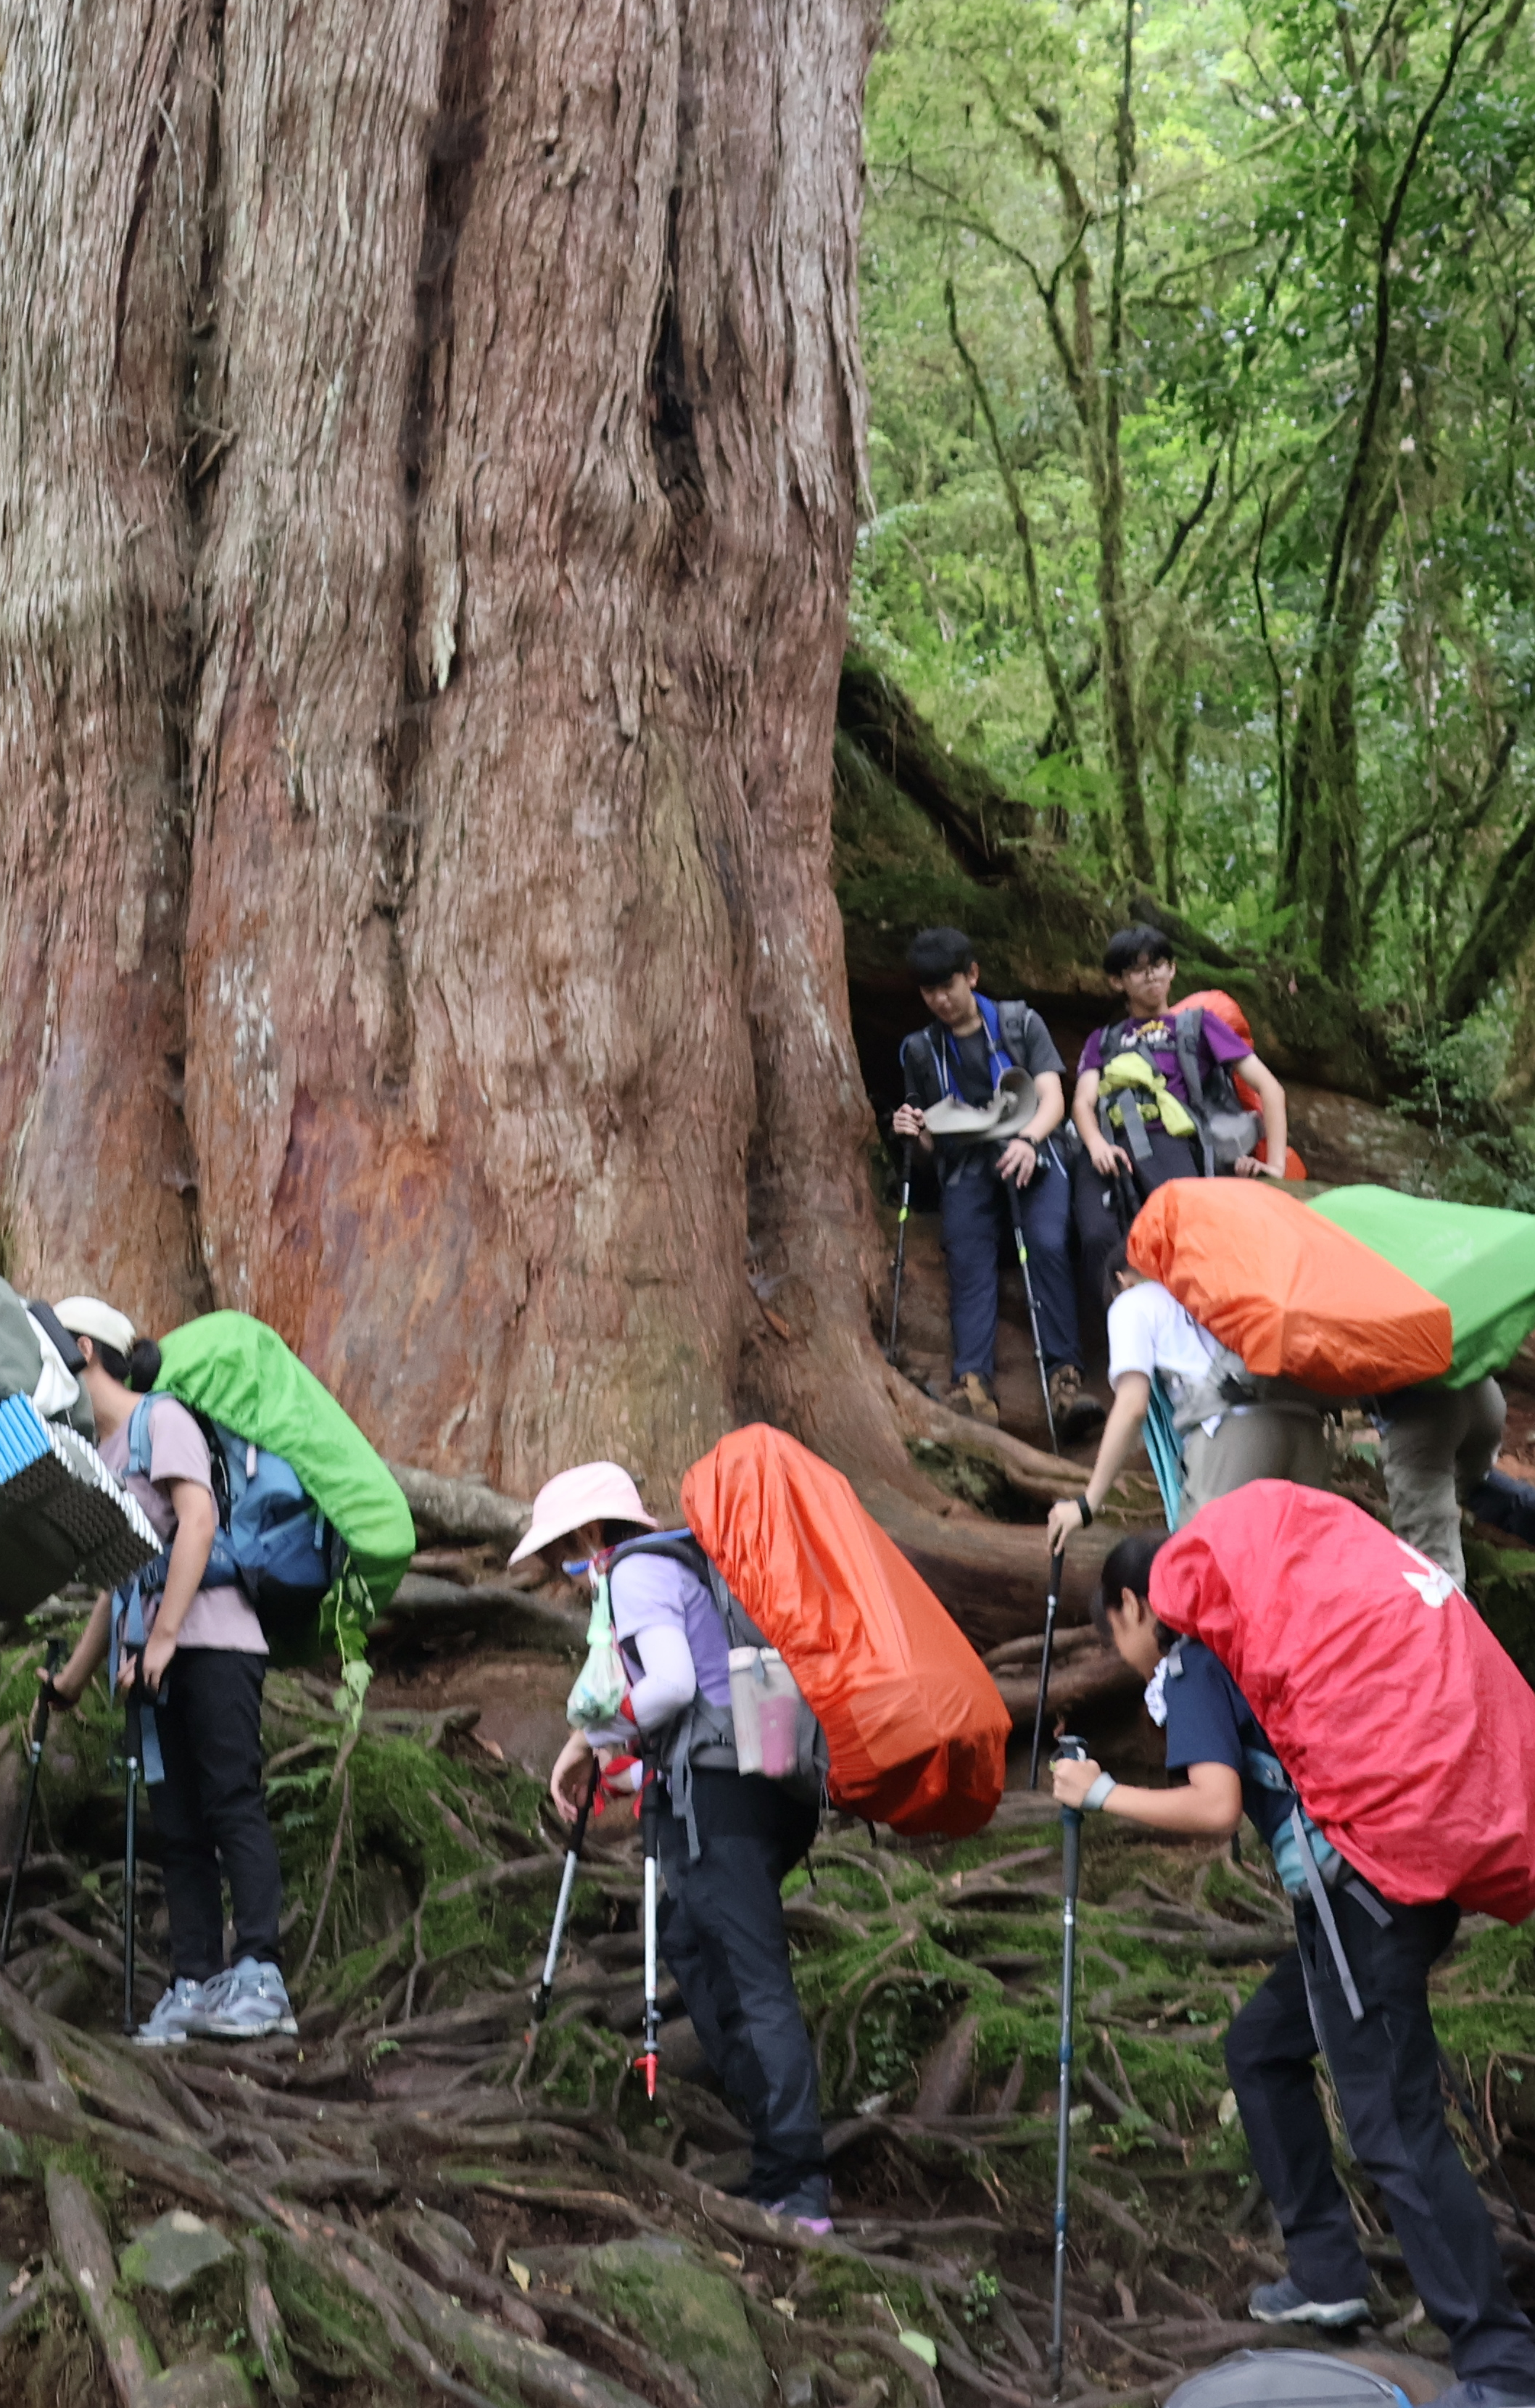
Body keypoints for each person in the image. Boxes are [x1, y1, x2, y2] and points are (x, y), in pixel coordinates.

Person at [1060, 1533, 1535, 2408]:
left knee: (1394, 2132)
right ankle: (1327, 2271)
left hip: (1357, 1910)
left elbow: (1214, 1805)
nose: (1122, 1649)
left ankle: (1508, 2375)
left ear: (1132, 1606)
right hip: (1388, 1894)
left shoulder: (1192, 1665)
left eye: (1115, 1630)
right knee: (1260, 2047)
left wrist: (1098, 1794)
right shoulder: (1248, 1649)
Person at [522, 1463, 834, 2236]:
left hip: (721, 1802)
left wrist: (596, 1732)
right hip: (753, 1786)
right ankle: (772, 2141)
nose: (568, 1571)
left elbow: (664, 1689)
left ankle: (795, 2187)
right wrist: (611, 1759)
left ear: (592, 1537)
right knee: (697, 1948)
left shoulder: (632, 1572)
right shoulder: (685, 1563)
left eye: (565, 1552)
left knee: (750, 1976)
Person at [44, 1296, 297, 2047]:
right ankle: (194, 1980)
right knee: (179, 1826)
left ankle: (260, 1975)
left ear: (84, 1349)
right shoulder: (104, 1451)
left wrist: (162, 1637)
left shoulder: (162, 1420)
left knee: (230, 1801)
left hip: (213, 1643)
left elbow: (198, 1520)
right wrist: (72, 1681)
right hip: (149, 1662)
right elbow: (114, 1583)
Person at [888, 927, 1093, 1436]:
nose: (940, 999)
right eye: (928, 991)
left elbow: (1053, 1098)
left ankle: (1065, 1377)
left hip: (1033, 1151)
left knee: (1047, 1242)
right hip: (968, 1165)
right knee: (966, 1250)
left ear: (972, 976)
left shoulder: (1021, 1023)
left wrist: (1027, 1141)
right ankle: (973, 1384)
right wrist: (911, 1129)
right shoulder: (920, 1049)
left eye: (948, 986)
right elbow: (933, 1137)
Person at [1040, 1253, 1332, 1546]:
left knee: (1196, 1571)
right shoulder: (1213, 1283)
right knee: (1296, 1573)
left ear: (1121, 1280)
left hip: (1235, 1435)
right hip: (1306, 1428)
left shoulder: (1131, 1302)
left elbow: (1132, 1405)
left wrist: (1088, 1503)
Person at [1069, 925, 1289, 1273]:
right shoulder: (1103, 1039)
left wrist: (1276, 1167)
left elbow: (1270, 1088)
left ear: (1173, 969)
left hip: (1170, 1140)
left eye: (1158, 964)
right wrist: (1096, 1146)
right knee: (1099, 1239)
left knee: (1185, 1238)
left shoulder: (1198, 1025)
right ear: (1118, 982)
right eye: (1138, 969)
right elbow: (1083, 1102)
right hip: (1108, 1147)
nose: (1151, 975)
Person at [1371, 1373, 1513, 1590]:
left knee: (1434, 1576)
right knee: (1471, 1486)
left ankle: (1454, 1618)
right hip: (1482, 1393)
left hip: (1420, 1414)